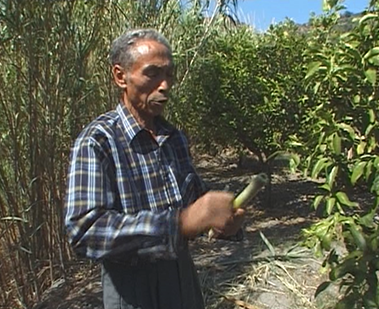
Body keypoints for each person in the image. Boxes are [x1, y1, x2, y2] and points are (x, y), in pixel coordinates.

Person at [64, 28, 245, 309]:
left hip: (183, 279)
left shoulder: (173, 138)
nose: (165, 85)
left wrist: (224, 222)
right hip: (131, 290)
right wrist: (180, 223)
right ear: (120, 76)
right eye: (152, 74)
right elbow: (85, 230)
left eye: (169, 74)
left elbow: (195, 203)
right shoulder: (99, 140)